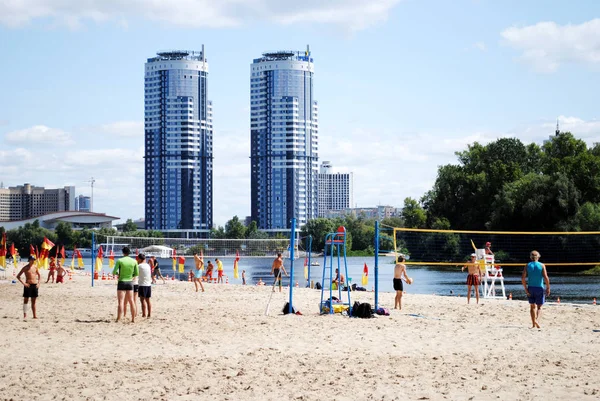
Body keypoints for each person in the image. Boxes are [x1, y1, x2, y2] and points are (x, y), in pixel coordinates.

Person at [522, 250, 551, 329]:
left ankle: (533, 324)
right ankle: (537, 320)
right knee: (539, 307)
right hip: (539, 287)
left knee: (532, 307)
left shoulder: (527, 265)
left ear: (531, 257)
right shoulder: (541, 265)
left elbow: (523, 278)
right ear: (538, 257)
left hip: (530, 287)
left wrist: (526, 289)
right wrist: (548, 287)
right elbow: (545, 277)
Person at [112, 247, 139, 323]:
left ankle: (119, 318)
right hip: (130, 282)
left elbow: (114, 272)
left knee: (121, 301)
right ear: (129, 252)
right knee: (131, 301)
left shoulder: (120, 260)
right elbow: (137, 273)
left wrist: (118, 274)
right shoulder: (134, 261)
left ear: (123, 252)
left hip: (121, 281)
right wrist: (131, 275)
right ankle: (133, 319)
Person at [137, 253, 152, 318]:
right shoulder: (148, 265)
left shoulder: (139, 266)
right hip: (148, 284)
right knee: (148, 300)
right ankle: (149, 314)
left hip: (142, 284)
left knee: (142, 300)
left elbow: (135, 274)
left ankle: (144, 314)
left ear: (140, 259)